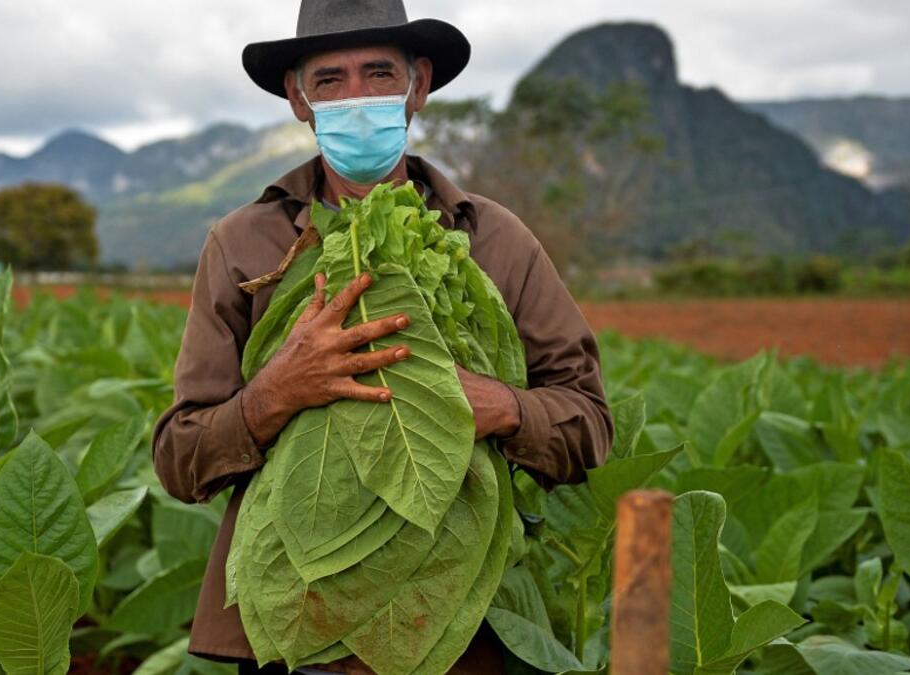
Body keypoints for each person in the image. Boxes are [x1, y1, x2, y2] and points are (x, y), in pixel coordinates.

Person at [152, 1, 614, 673]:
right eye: (330, 81)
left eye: (378, 73)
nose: (357, 98)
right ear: (298, 98)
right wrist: (274, 393)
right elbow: (179, 457)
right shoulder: (243, 245)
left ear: (418, 85)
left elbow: (590, 423)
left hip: (456, 623)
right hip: (297, 622)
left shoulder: (494, 240)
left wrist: (500, 406)